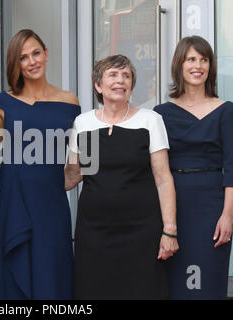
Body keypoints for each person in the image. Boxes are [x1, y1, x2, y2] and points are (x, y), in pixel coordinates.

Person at [66, 54, 179, 299]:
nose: (121, 81)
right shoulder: (82, 123)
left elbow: (163, 179)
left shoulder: (150, 120)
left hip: (141, 233)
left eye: (126, 76)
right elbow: (71, 177)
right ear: (98, 85)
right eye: (113, 75)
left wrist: (170, 231)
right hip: (93, 234)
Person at [0, 29, 81, 299]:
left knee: (51, 270)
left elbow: (81, 160)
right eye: (23, 57)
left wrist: (55, 183)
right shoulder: (1, 102)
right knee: (13, 273)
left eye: (36, 53)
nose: (32, 61)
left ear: (46, 54)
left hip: (51, 205)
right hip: (12, 201)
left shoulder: (70, 101)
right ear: (15, 64)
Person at [154, 36, 233, 299]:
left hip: (212, 204)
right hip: (173, 205)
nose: (198, 65)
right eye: (191, 59)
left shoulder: (226, 110)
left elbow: (231, 165)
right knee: (176, 282)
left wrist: (228, 215)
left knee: (207, 282)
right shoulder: (160, 113)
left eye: (204, 59)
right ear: (180, 64)